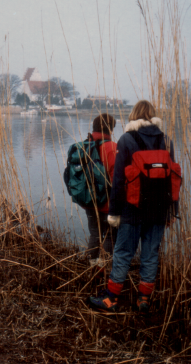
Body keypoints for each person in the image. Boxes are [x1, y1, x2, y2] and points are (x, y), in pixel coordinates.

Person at [89, 100, 177, 313]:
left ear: (134, 115)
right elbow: (173, 178)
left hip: (132, 208)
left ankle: (111, 299)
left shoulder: (127, 139)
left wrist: (114, 213)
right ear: (153, 116)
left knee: (123, 253)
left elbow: (118, 180)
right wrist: (172, 210)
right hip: (159, 209)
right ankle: (143, 300)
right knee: (150, 254)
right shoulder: (166, 140)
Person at [84, 113, 118, 267]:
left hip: (89, 200)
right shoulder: (112, 148)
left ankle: (91, 264)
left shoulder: (84, 145)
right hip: (108, 203)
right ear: (110, 128)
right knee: (110, 236)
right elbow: (117, 179)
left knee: (95, 233)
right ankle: (104, 267)